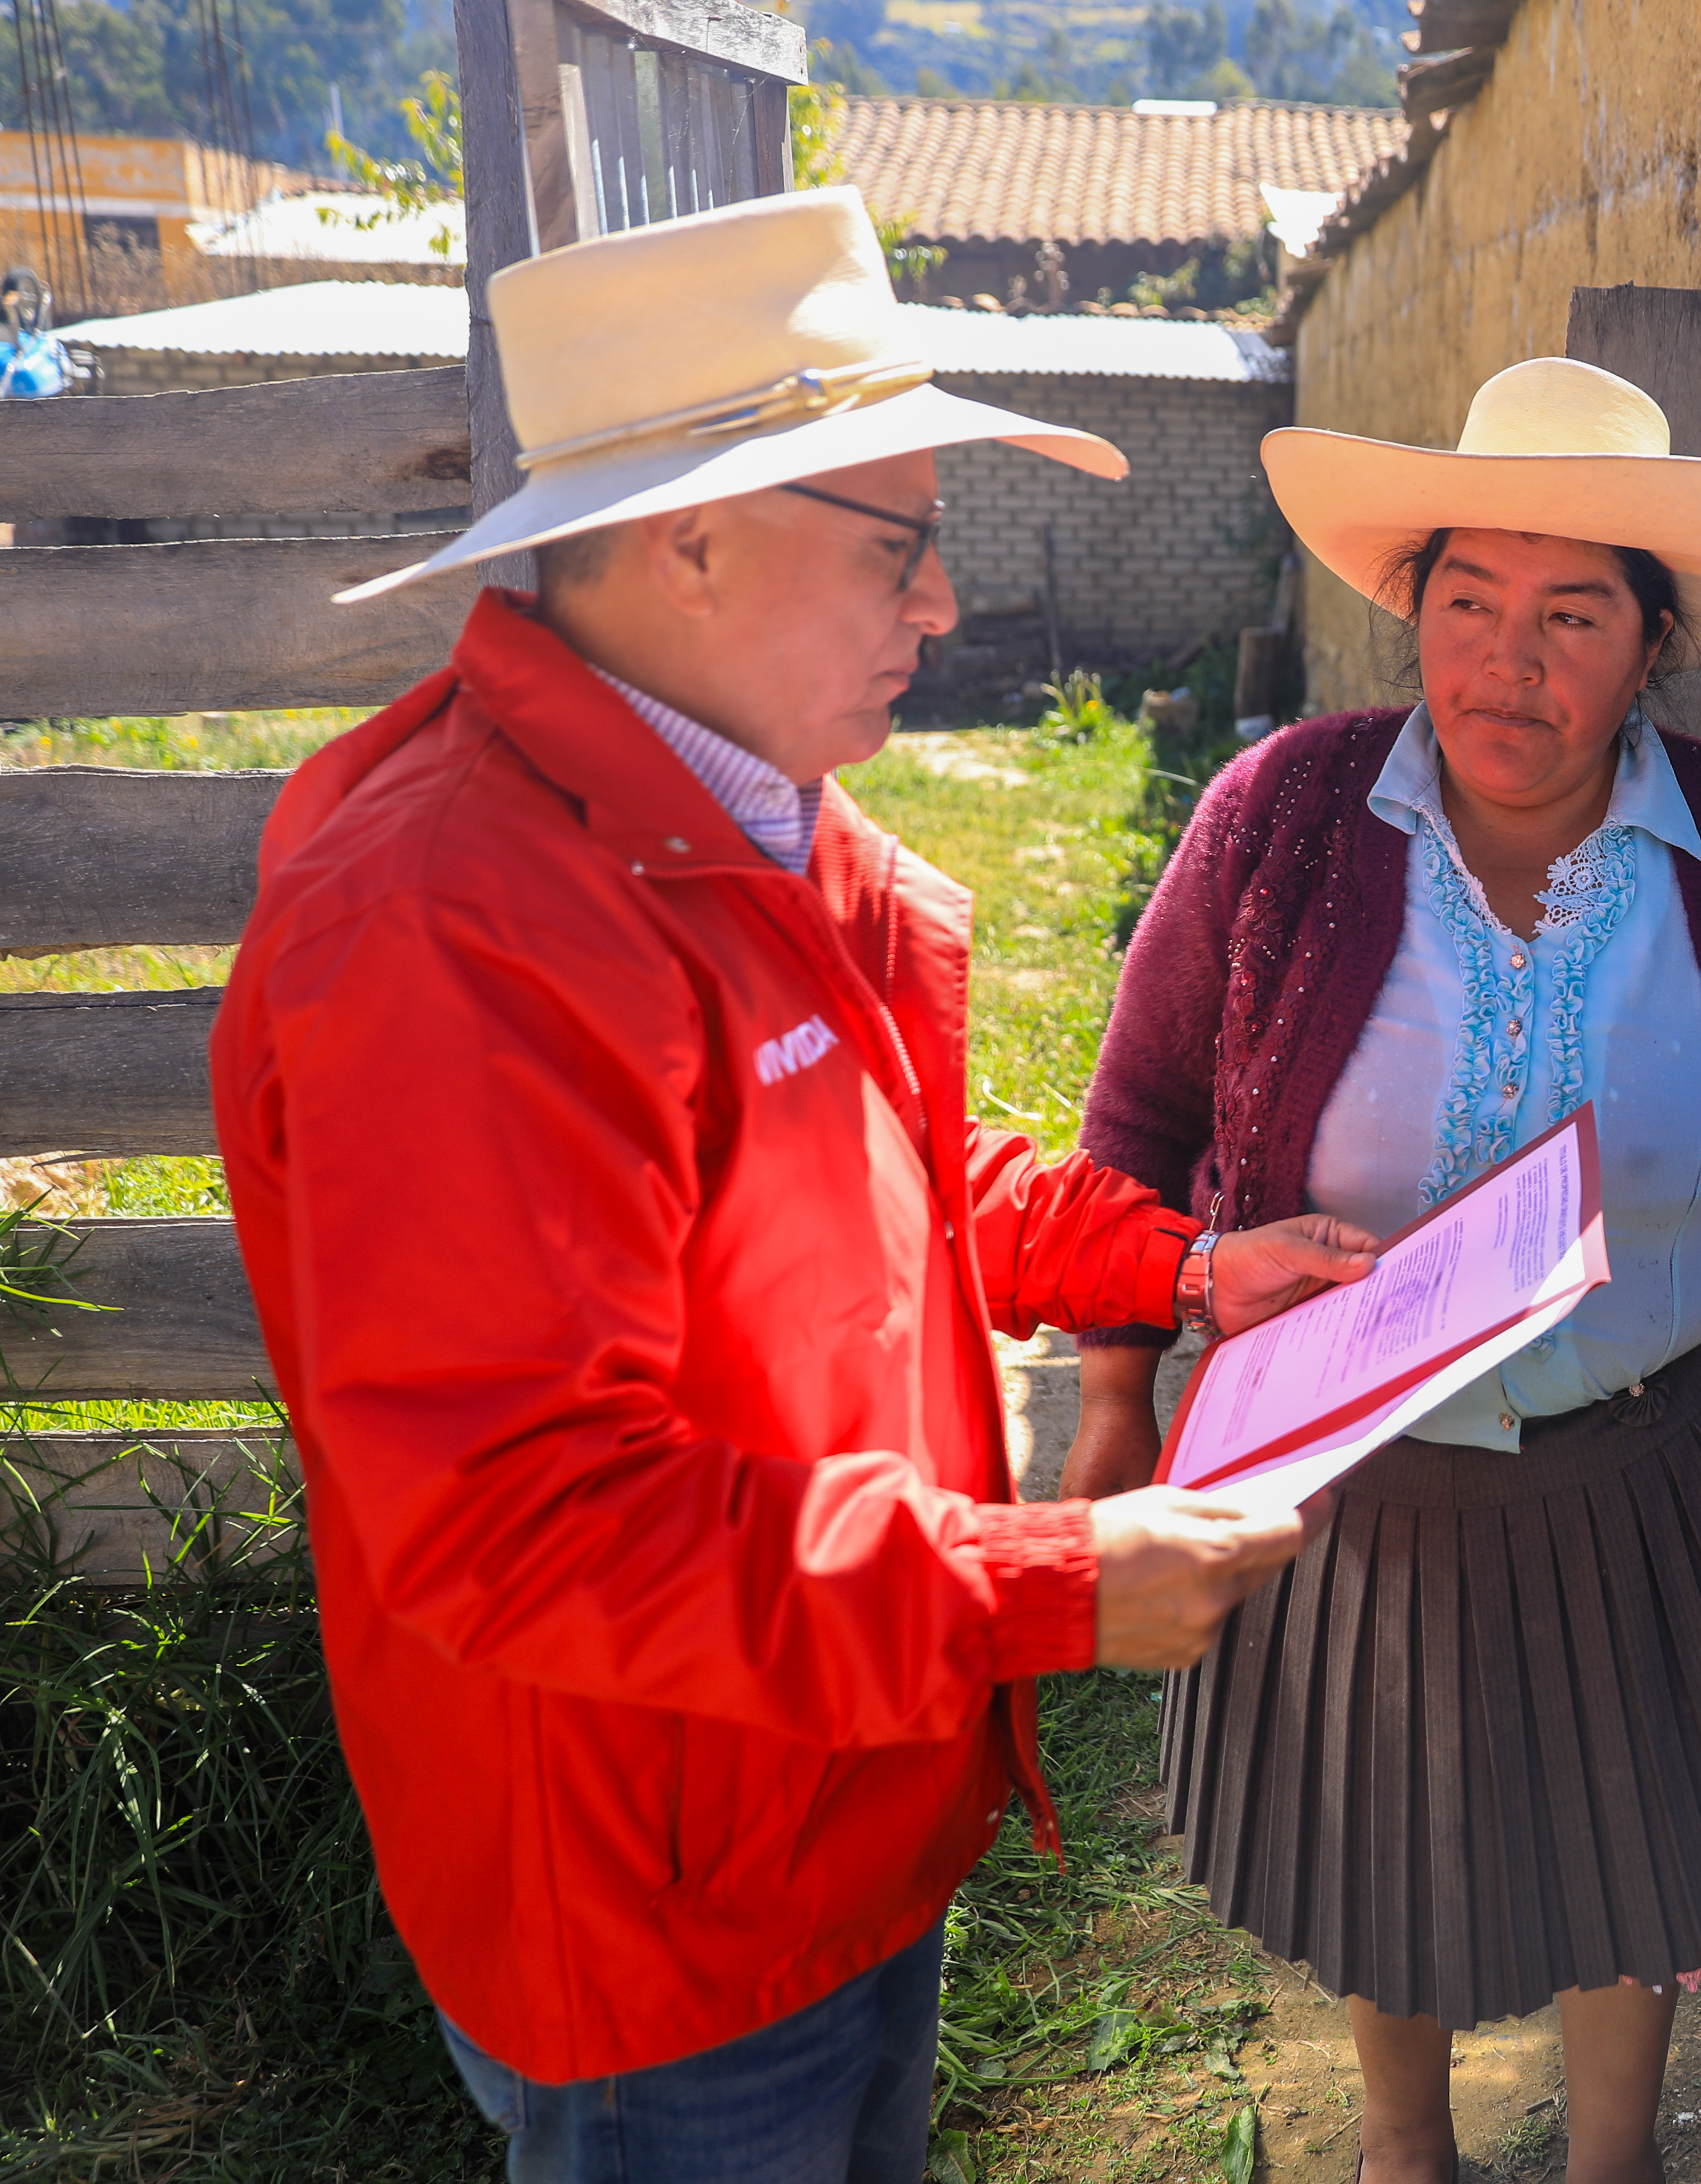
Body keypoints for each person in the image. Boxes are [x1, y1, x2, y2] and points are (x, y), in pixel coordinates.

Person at [212, 188, 1376, 2184]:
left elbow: (902, 1161)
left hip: (823, 1808)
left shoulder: (737, 819)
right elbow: (530, 1518)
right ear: (690, 542)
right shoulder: (456, 924)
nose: (938, 608)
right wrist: (1045, 1588)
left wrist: (1183, 1272)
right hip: (663, 1912)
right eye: (904, 550)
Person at [1067, 356, 1701, 2184]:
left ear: (1655, 641)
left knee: (1636, 1834)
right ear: (1412, 611)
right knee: (1390, 1837)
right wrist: (1123, 1391)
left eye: (1570, 615)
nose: (1506, 663)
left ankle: (1614, 2156)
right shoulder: (1283, 826)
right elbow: (1134, 1110)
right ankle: (1402, 2151)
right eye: (1469, 603)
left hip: (1658, 1456)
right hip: (1361, 1480)